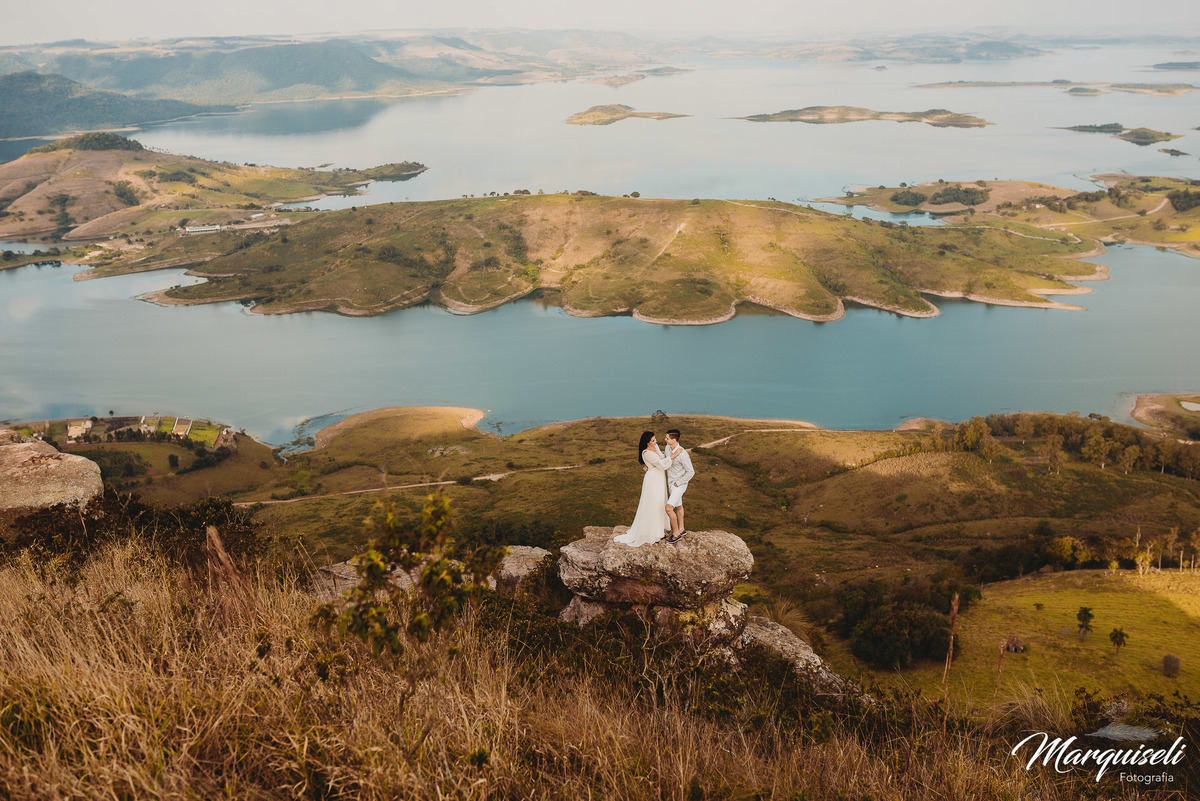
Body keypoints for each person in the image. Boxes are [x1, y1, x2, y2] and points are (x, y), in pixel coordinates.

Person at [613, 431, 673, 547]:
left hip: (660, 478)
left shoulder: (655, 448)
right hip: (653, 479)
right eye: (653, 440)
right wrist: (672, 457)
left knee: (660, 502)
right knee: (653, 503)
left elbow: (662, 458)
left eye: (655, 439)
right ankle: (653, 532)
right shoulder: (646, 453)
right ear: (647, 443)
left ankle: (660, 529)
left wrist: (665, 457)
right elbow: (662, 464)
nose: (656, 442)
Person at [663, 429, 695, 543]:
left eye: (667, 438)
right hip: (671, 482)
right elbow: (664, 458)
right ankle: (681, 529)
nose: (665, 439)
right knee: (678, 506)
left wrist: (679, 483)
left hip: (679, 484)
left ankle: (676, 534)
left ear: (674, 439)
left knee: (669, 508)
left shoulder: (683, 454)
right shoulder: (668, 448)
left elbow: (691, 472)